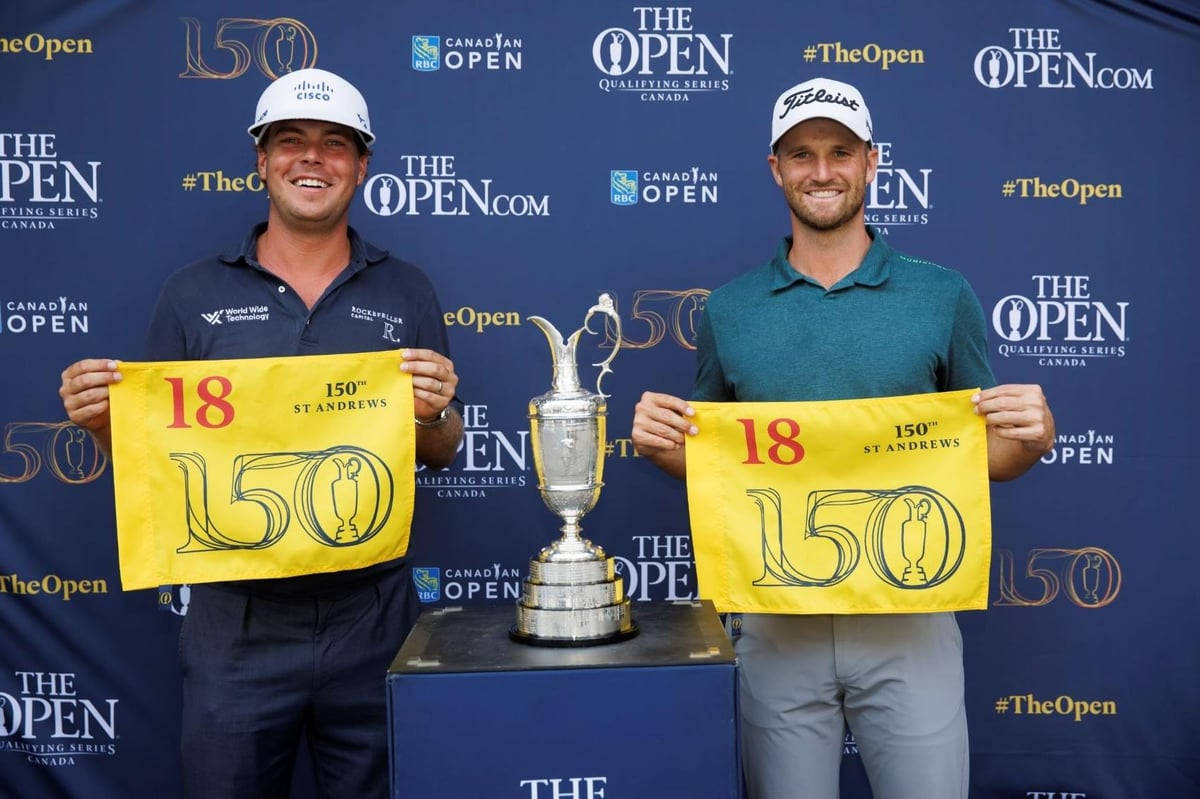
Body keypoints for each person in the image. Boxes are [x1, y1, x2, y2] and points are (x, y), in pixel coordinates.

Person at [631, 77, 1055, 798]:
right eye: (801, 154)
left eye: (839, 152)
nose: (821, 171)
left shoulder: (941, 293)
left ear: (871, 161)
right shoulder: (730, 310)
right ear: (776, 168)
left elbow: (982, 455)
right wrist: (664, 441)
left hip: (910, 617)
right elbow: (719, 460)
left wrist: (1031, 436)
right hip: (775, 622)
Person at [58, 68, 463, 798]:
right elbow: (153, 459)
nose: (313, 157)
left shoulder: (408, 291)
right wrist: (103, 423)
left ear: (362, 165)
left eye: (335, 143)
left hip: (372, 612)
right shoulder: (192, 293)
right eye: (291, 141)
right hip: (233, 616)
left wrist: (433, 412)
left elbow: (440, 449)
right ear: (261, 161)